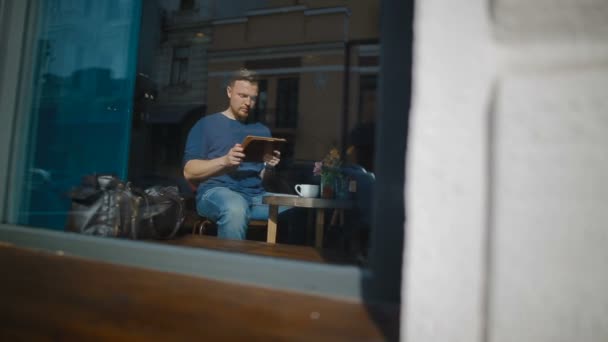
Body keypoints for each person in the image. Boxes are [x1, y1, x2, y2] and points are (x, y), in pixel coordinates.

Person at [183, 68, 287, 240]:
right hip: (216, 192)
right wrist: (225, 161)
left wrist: (269, 165)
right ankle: (230, 266)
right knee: (235, 208)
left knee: (297, 209)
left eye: (253, 98)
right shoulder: (207, 125)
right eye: (243, 95)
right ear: (229, 92)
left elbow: (262, 179)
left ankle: (281, 265)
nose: (248, 102)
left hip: (255, 197)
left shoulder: (262, 130)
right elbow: (189, 172)